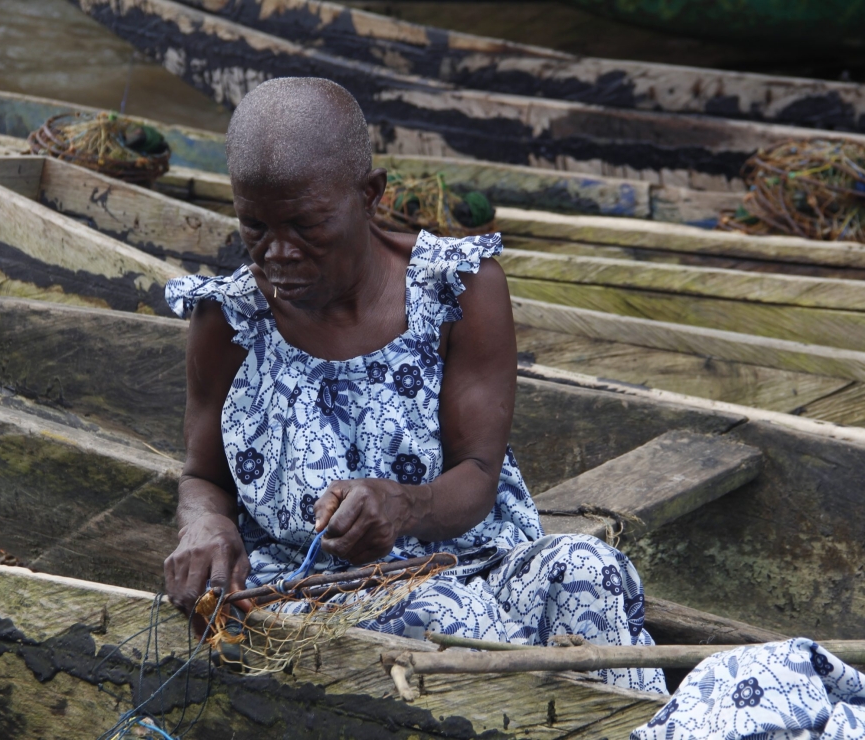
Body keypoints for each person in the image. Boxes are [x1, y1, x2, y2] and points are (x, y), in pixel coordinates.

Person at [163, 76, 665, 693]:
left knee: (588, 567)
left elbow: (477, 474)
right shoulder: (229, 320)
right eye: (255, 227)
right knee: (436, 619)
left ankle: (628, 718)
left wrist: (403, 506)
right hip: (315, 590)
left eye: (307, 225)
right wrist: (205, 527)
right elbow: (204, 476)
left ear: (369, 195)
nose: (279, 253)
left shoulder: (457, 288)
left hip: (476, 559)